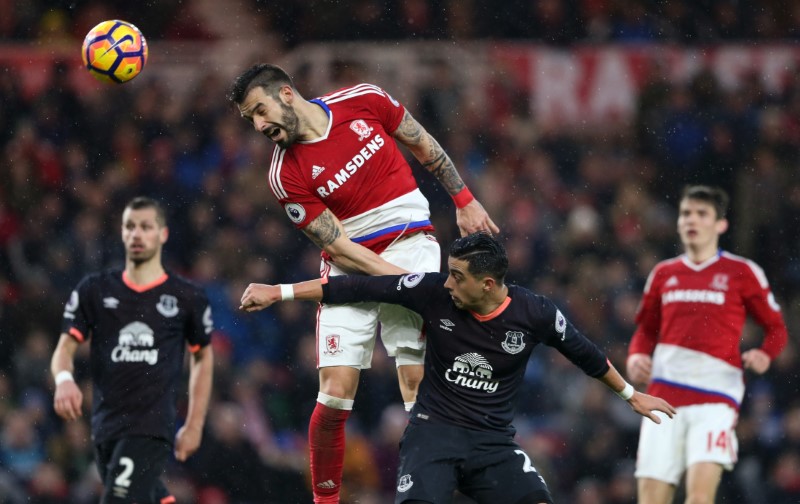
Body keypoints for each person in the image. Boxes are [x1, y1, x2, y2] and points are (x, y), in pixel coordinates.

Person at [228, 63, 499, 502]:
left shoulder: (363, 101)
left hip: (411, 243)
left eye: (260, 110)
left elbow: (419, 140)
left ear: (287, 95)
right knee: (335, 392)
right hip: (353, 266)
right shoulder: (284, 175)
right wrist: (409, 284)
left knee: (416, 384)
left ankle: (431, 492)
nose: (259, 125)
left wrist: (463, 199)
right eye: (250, 120)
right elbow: (342, 249)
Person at [239, 232, 676, 504]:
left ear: (488, 284)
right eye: (447, 273)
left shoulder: (534, 313)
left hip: (493, 444)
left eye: (457, 276)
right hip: (433, 433)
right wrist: (279, 292)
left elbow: (584, 353)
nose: (446, 282)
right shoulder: (432, 293)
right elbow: (355, 285)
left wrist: (629, 395)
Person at [626, 185, 788, 504]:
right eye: (686, 213)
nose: (692, 220)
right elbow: (646, 330)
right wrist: (635, 357)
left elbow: (776, 328)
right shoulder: (663, 273)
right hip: (663, 398)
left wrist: (765, 353)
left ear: (720, 224)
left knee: (699, 498)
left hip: (715, 399)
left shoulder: (742, 272)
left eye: (702, 214)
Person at [51, 196, 215, 503]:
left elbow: (203, 357)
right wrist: (64, 380)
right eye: (129, 227)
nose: (136, 234)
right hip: (105, 428)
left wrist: (194, 424)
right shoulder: (94, 290)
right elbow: (64, 347)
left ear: (162, 234)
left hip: (150, 427)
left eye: (145, 227)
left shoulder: (185, 296)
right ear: (121, 232)